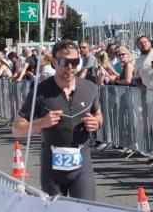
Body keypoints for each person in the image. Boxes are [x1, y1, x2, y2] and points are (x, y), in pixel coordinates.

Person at [13, 39, 102, 200]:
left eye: (74, 62)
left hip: (82, 164)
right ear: (54, 61)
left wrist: (97, 122)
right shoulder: (40, 92)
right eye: (64, 61)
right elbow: (17, 129)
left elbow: (99, 115)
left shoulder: (90, 88)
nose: (70, 67)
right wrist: (41, 123)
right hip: (52, 167)